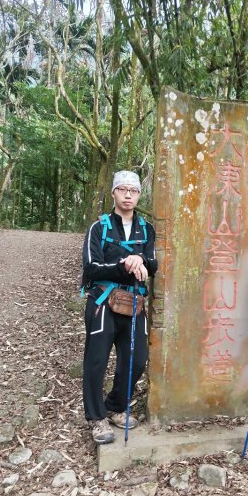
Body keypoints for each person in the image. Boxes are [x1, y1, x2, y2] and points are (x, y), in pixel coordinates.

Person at [81, 170, 157, 444]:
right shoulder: (99, 227)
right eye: (123, 189)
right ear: (113, 192)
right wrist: (126, 264)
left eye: (133, 190)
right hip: (103, 302)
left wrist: (141, 260)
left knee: (136, 360)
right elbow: (91, 267)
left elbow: (153, 264)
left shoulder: (146, 229)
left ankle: (115, 406)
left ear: (139, 195)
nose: (128, 194)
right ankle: (97, 417)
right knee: (97, 360)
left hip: (135, 304)